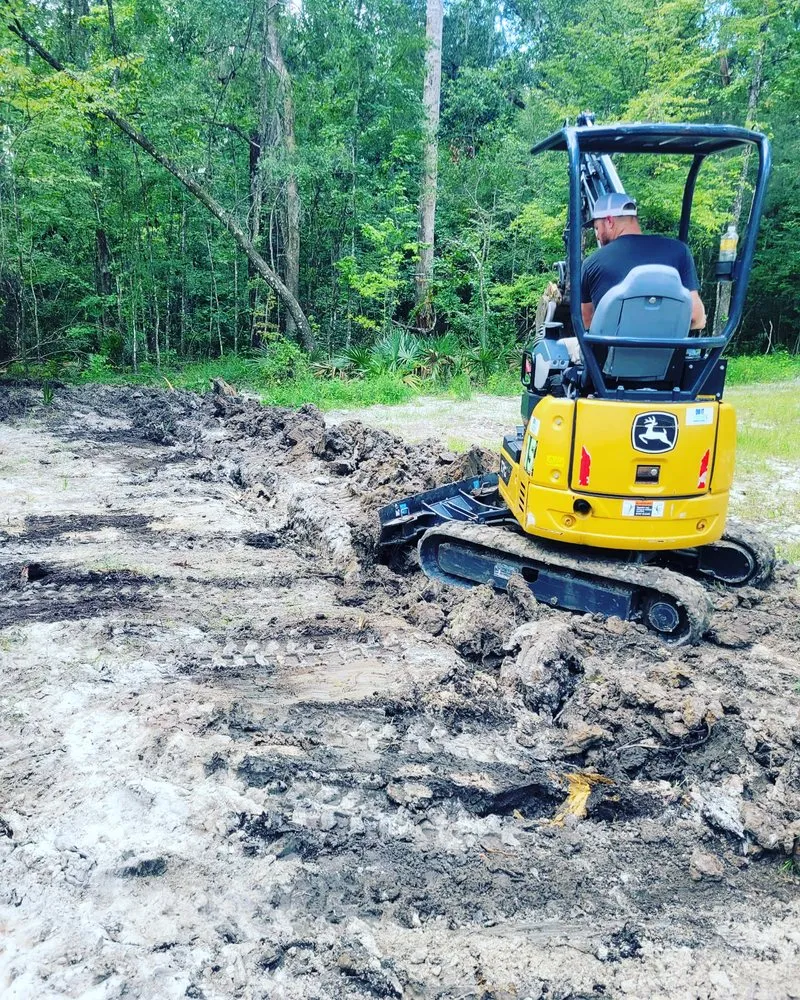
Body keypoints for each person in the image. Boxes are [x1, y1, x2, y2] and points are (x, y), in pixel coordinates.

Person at [580, 193, 706, 331]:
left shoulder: (591, 264)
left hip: (611, 352)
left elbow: (587, 321)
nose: (597, 236)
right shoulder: (679, 251)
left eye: (597, 228)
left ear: (609, 221)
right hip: (668, 351)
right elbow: (696, 318)